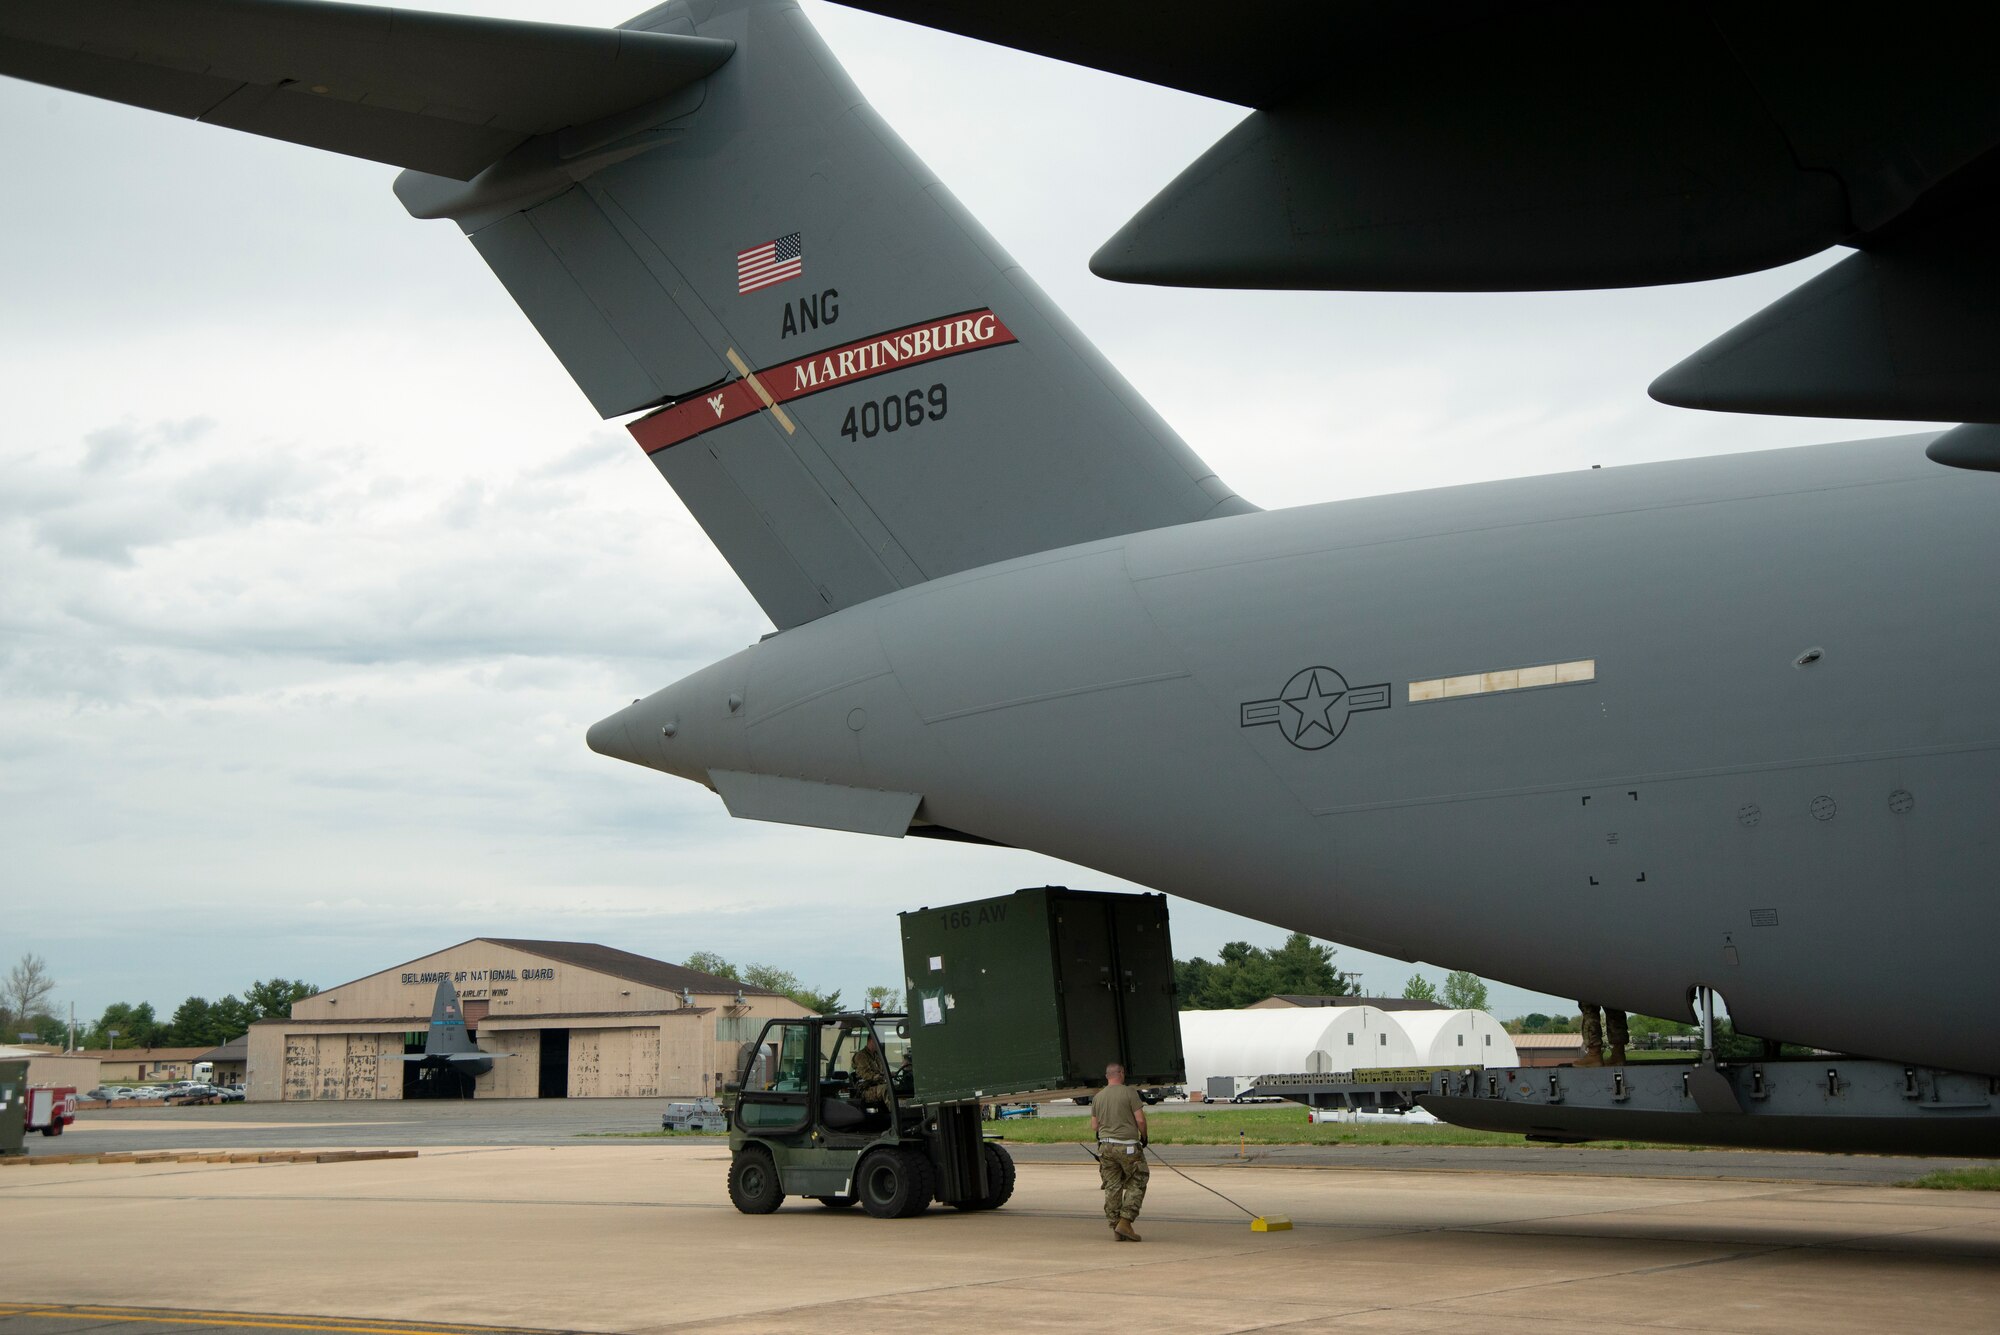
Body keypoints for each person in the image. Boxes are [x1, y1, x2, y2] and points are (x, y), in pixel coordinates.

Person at [1090, 1062, 1149, 1241]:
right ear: (1121, 1073)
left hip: (1106, 1146)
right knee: (1138, 1179)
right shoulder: (1129, 1092)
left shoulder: (1098, 1097)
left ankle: (1115, 1226)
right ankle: (1125, 1221)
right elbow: (1140, 1120)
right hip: (1128, 1145)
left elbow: (1095, 1126)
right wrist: (1144, 1136)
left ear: (1107, 1076)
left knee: (1112, 1185)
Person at [850, 1030, 891, 1105]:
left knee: (897, 1087)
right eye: (879, 1041)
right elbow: (865, 1074)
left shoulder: (877, 1056)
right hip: (866, 1090)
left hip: (877, 1086)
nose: (880, 1043)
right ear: (871, 1040)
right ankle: (896, 1113)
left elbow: (881, 1071)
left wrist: (889, 1074)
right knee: (887, 1089)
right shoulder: (861, 1056)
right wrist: (877, 1076)